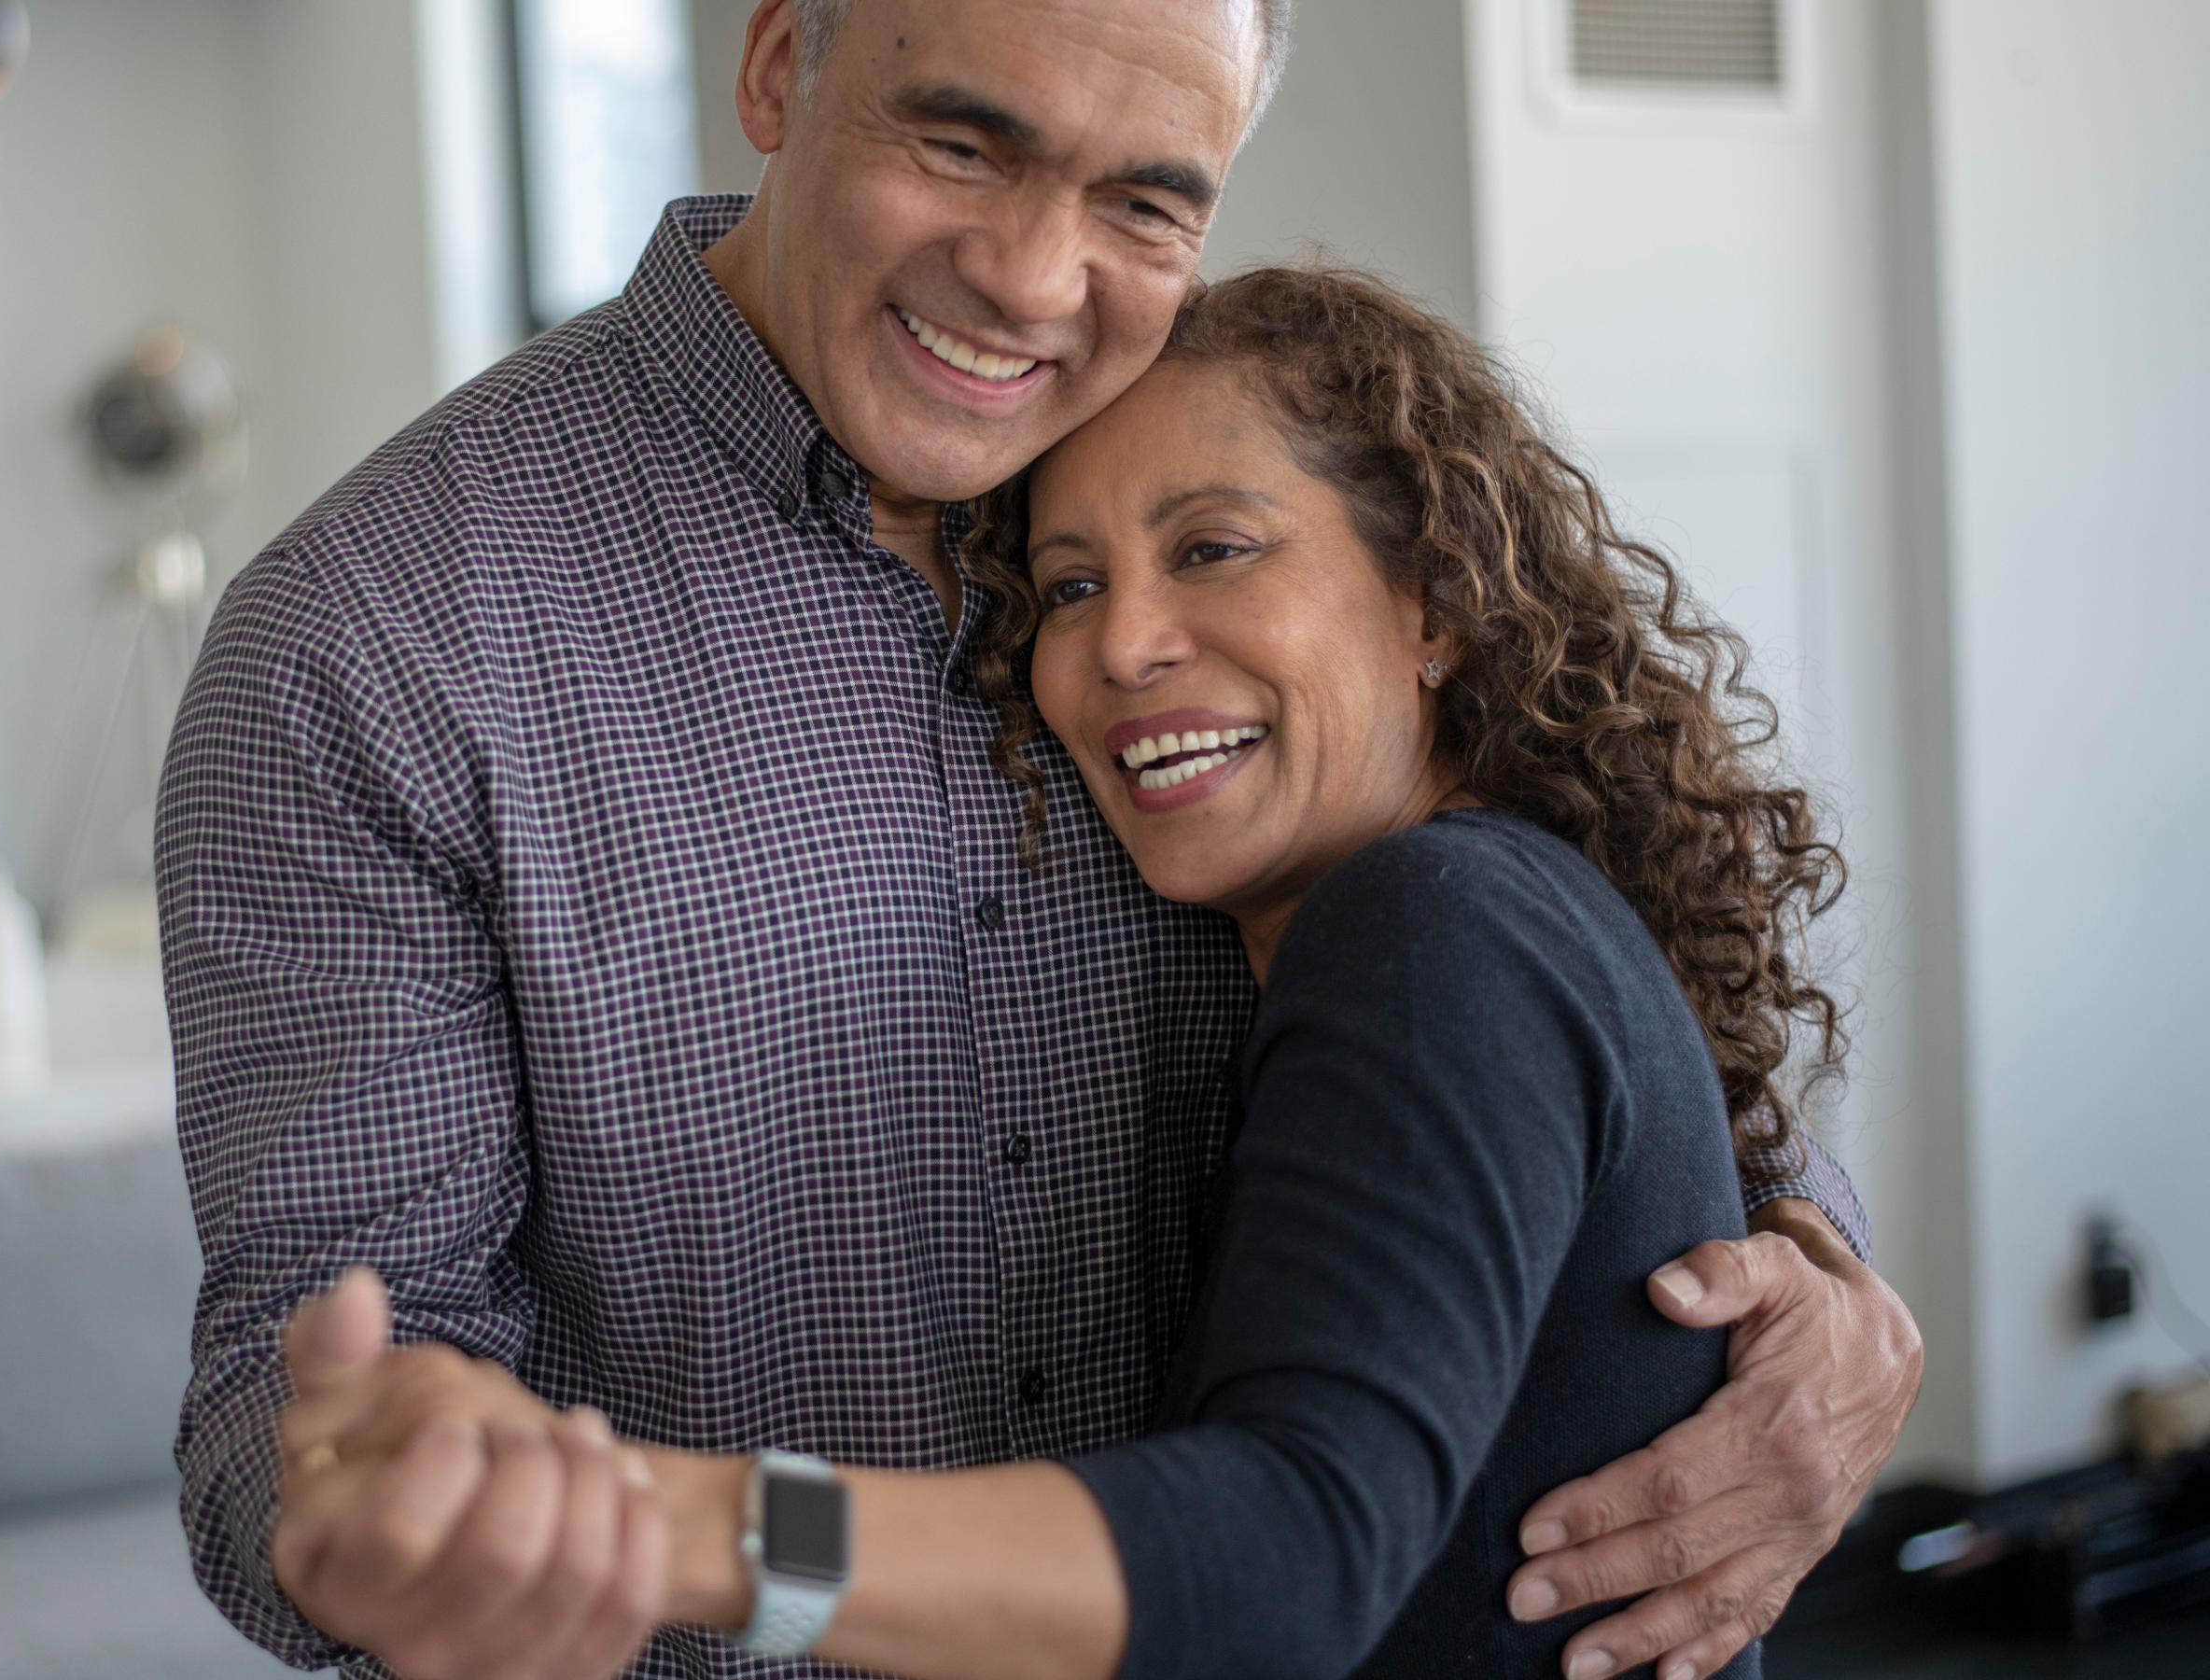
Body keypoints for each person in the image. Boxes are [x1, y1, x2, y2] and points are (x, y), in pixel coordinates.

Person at [161, 3, 1924, 1678]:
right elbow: (302, 1395)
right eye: (958, 142)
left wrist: (1808, 1285)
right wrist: (392, 1498)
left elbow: (1569, 987)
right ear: (779, 64)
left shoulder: (1164, 445)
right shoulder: (368, 644)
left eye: (1145, 200)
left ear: (1437, 596)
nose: (1028, 278)